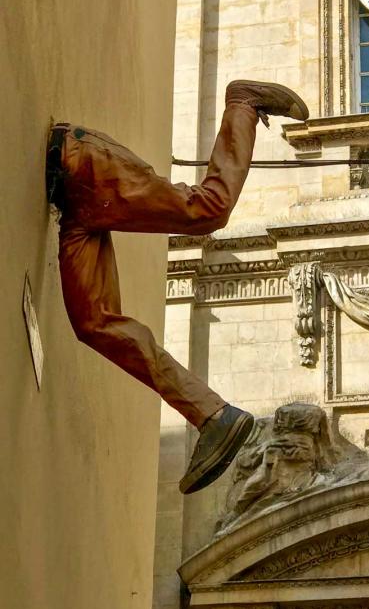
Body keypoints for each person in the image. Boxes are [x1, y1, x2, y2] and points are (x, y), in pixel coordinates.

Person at [46, 80, 309, 494]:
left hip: (85, 168)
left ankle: (242, 103)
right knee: (92, 322)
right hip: (80, 197)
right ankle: (214, 415)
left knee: (208, 210)